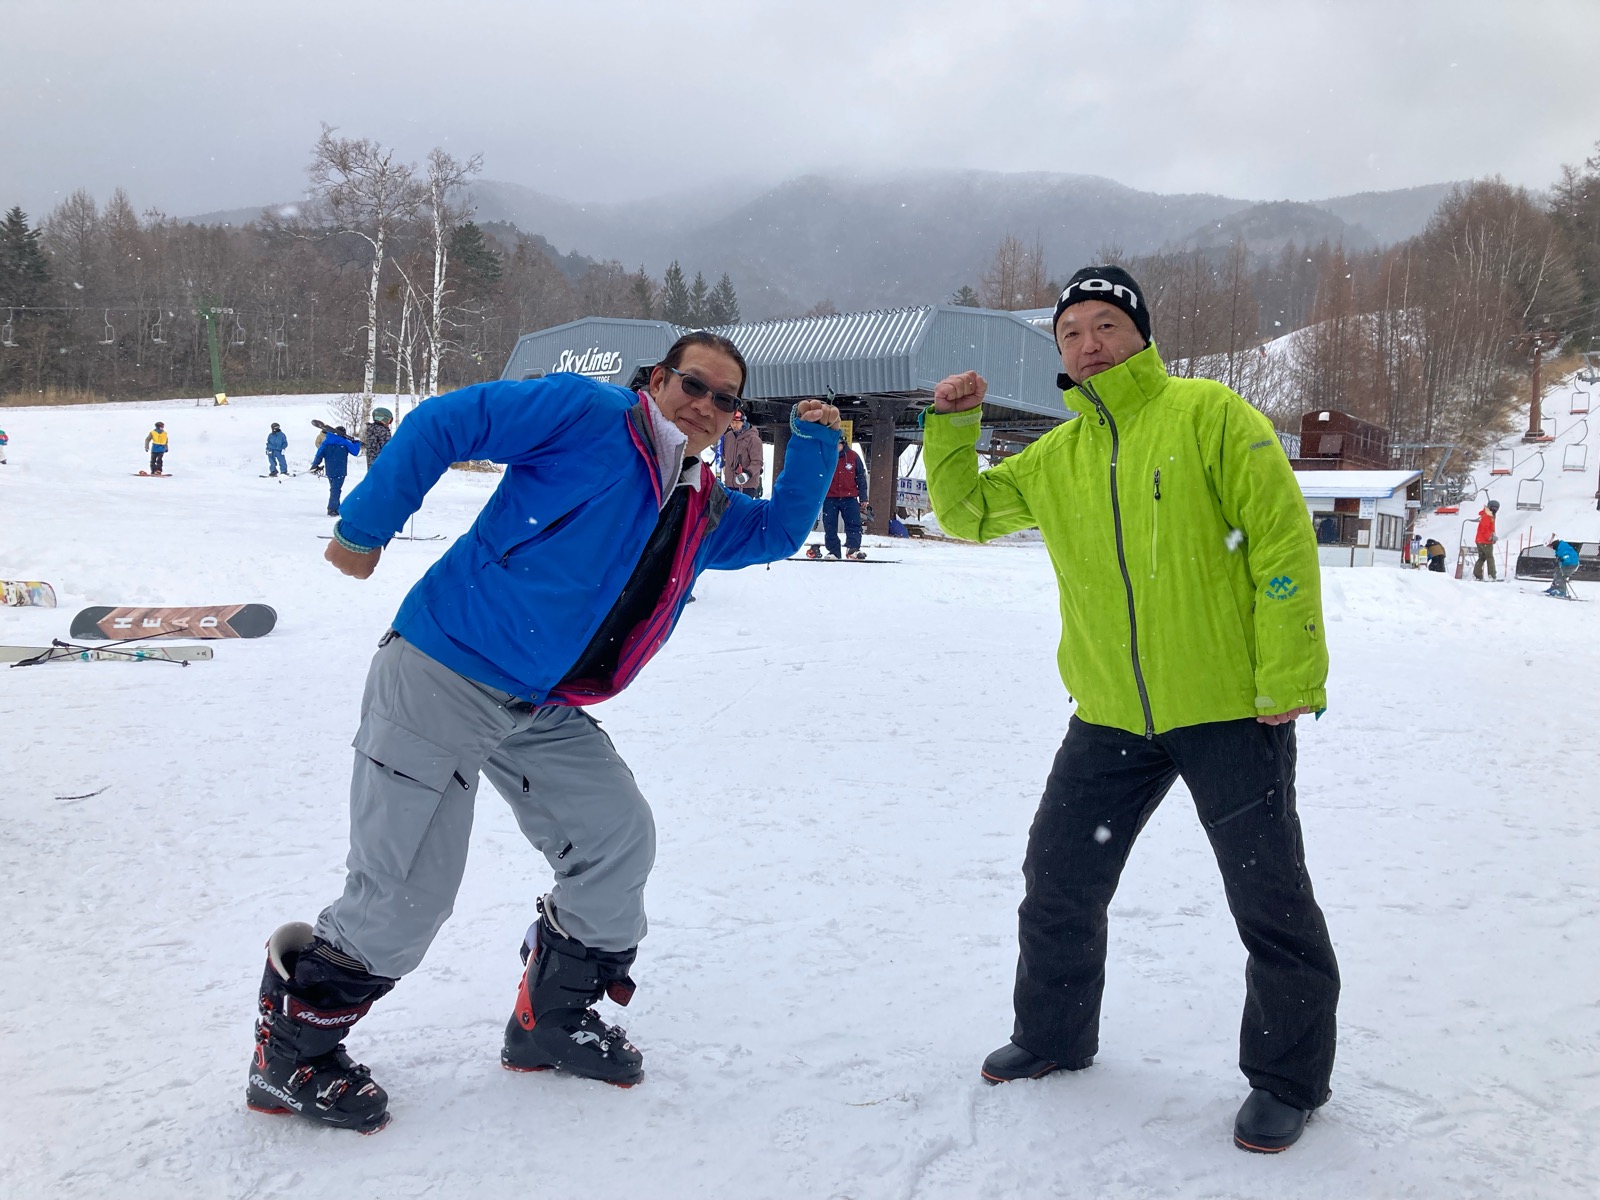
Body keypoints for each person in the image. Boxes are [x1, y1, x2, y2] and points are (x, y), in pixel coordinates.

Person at [245, 331, 841, 1133]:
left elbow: (774, 535)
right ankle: (289, 1059)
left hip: (540, 701)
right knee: (405, 893)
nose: (706, 405)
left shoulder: (699, 502)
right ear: (658, 380)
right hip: (443, 669)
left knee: (616, 839)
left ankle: (548, 1021)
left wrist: (811, 445)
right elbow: (445, 423)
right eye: (694, 385)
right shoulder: (586, 413)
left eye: (726, 399)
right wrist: (364, 527)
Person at [925, 265, 1339, 1155]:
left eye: (1105, 324)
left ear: (1141, 335)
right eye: (1070, 332)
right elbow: (965, 514)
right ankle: (1054, 1033)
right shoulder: (1059, 455)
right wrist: (953, 427)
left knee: (1268, 896)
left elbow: (1279, 540)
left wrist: (1287, 674)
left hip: (1230, 709)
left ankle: (1288, 1079)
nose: (1087, 343)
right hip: (1111, 714)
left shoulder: (1210, 416)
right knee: (1060, 876)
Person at [821, 440, 869, 560]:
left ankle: (853, 549)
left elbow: (861, 478)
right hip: (830, 497)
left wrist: (863, 497)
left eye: (838, 444)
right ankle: (833, 551)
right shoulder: (826, 457)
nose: (836, 446)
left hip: (849, 497)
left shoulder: (853, 456)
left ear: (843, 443)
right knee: (829, 525)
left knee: (854, 524)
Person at [309, 426, 361, 516]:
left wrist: (314, 465)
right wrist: (356, 443)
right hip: (340, 470)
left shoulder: (326, 443)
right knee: (336, 489)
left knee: (334, 488)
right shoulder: (345, 442)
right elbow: (355, 452)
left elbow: (319, 455)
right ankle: (332, 509)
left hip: (330, 470)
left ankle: (336, 507)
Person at [720, 409, 763, 497]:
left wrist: (747, 474)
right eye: (732, 423)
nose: (734, 426)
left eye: (737, 423)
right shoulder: (728, 437)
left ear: (743, 422)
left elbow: (757, 462)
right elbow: (723, 454)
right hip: (729, 483)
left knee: (743, 510)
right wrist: (724, 464)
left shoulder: (753, 439)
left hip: (746, 486)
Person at [1473, 499, 1500, 580]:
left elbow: (1489, 528)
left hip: (1480, 540)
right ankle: (1492, 575)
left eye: (1496, 508)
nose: (1494, 510)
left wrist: (1492, 536)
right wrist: (1490, 537)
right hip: (1485, 541)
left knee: (1482, 557)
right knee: (1490, 557)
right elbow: (1484, 529)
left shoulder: (1488, 514)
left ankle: (1477, 574)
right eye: (1493, 508)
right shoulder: (1487, 516)